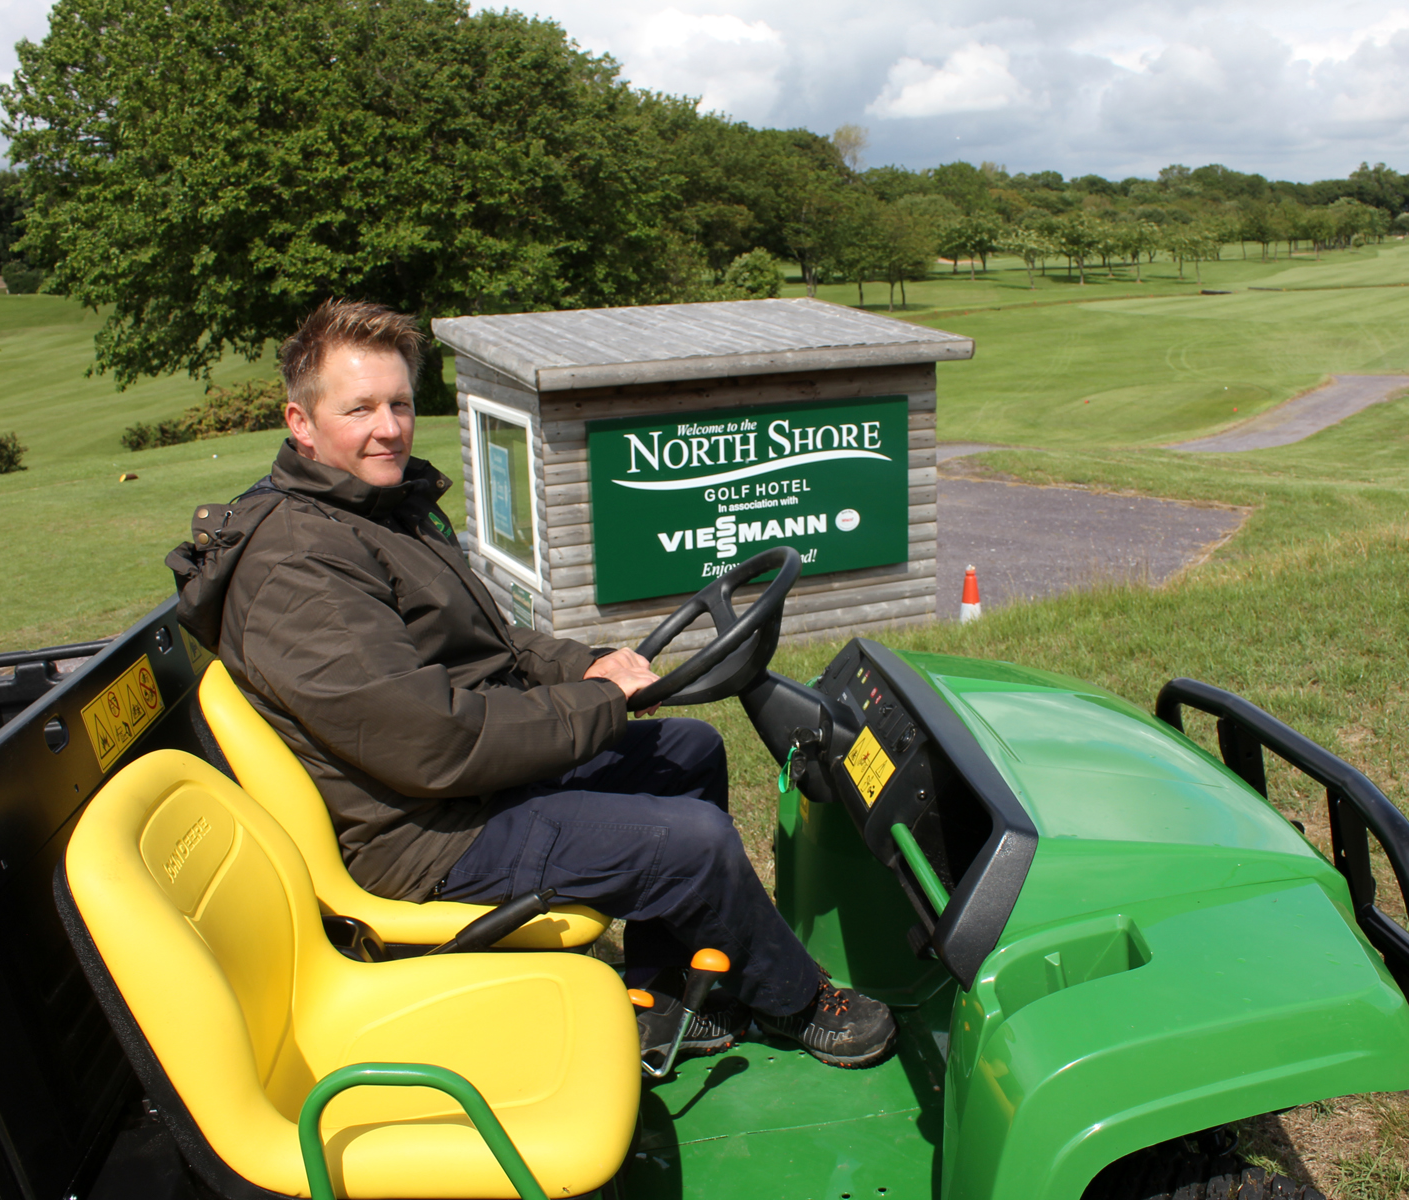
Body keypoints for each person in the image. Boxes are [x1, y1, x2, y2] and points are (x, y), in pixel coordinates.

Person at [167, 299, 896, 1068]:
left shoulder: (377, 511)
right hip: (422, 834)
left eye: (401, 404)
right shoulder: (300, 566)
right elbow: (430, 739)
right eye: (360, 408)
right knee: (693, 843)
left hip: (462, 786)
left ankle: (657, 992)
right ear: (301, 422)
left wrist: (585, 665)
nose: (389, 427)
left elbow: (495, 645)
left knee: (686, 750)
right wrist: (598, 702)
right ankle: (796, 1001)